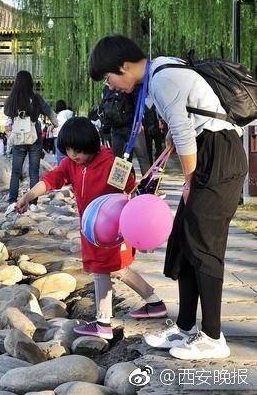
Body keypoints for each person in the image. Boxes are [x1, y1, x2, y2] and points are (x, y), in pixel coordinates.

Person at [89, 34, 247, 359]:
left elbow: (183, 130)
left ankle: (214, 338)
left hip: (219, 156)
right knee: (183, 244)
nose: (112, 86)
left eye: (109, 78)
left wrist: (189, 180)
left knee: (204, 247)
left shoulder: (163, 77)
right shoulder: (156, 77)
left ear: (124, 66)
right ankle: (187, 328)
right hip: (208, 155)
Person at [15, 117, 167, 339]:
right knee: (117, 268)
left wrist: (141, 235)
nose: (73, 155)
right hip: (91, 228)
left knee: (101, 269)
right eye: (68, 150)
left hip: (113, 229)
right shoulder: (71, 164)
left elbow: (133, 198)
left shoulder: (114, 165)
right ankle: (154, 303)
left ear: (91, 145)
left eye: (78, 150)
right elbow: (51, 180)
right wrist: (28, 196)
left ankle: (103, 323)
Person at [4, 70, 58, 209]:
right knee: (33, 171)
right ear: (30, 83)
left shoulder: (13, 99)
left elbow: (6, 112)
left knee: (16, 172)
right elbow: (49, 112)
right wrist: (55, 124)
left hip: (18, 139)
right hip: (34, 138)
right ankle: (33, 204)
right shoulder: (36, 98)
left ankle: (12, 202)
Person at [53, 100, 74, 165]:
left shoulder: (61, 114)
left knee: (60, 157)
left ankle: (62, 172)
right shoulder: (70, 113)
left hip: (59, 136)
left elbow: (62, 124)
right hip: (69, 136)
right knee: (68, 155)